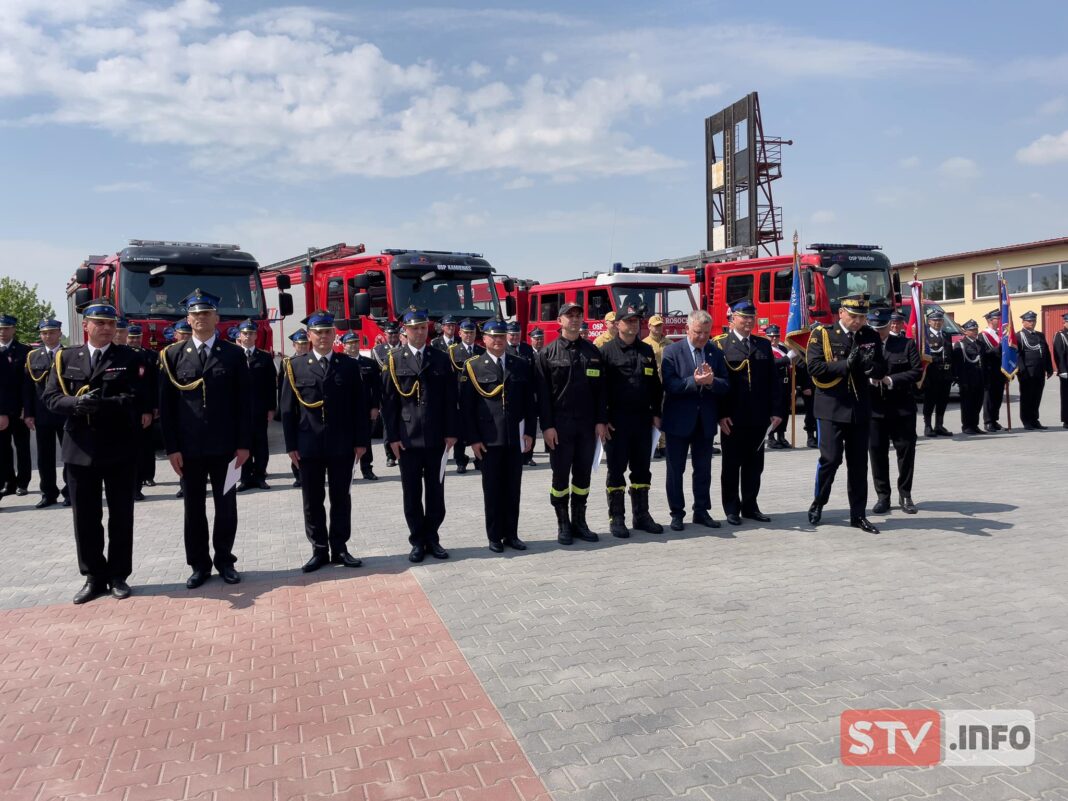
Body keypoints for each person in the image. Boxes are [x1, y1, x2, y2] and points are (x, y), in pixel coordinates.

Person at [42, 300, 152, 603]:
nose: (106, 328)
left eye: (110, 323)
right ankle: (93, 576)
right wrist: (75, 405)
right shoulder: (66, 358)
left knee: (121, 515)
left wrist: (102, 405)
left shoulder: (129, 357)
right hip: (79, 449)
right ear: (86, 326)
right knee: (85, 517)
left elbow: (137, 399)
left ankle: (118, 575)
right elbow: (51, 398)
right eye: (99, 323)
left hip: (118, 447)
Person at [158, 289, 252, 589]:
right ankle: (199, 565)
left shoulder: (234, 354)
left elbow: (243, 404)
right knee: (193, 509)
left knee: (226, 507)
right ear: (188, 319)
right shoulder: (172, 355)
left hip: (226, 449)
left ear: (217, 318)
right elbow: (167, 407)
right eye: (196, 314)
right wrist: (171, 447)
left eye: (206, 313)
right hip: (189, 450)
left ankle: (225, 560)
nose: (201, 318)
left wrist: (244, 444)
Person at [281, 311, 369, 572]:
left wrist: (361, 441)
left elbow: (359, 407)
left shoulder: (349, 365)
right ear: (309, 336)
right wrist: (290, 446)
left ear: (334, 335)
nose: (322, 336)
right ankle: (319, 549)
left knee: (341, 497)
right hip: (308, 445)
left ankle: (340, 548)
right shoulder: (294, 366)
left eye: (327, 332)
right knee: (312, 499)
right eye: (317, 332)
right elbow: (287, 410)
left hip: (342, 444)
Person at [381, 307, 458, 562]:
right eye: (414, 328)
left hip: (436, 437)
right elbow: (389, 404)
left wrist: (451, 432)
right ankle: (417, 540)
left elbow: (450, 399)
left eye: (423, 327)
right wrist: (391, 438)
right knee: (411, 493)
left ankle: (433, 538)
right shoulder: (394, 359)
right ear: (405, 330)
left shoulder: (440, 358)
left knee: (436, 491)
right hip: (407, 438)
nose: (419, 332)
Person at [805, 294, 886, 533]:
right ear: (841, 313)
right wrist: (845, 365)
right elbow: (815, 367)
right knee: (830, 460)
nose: (858, 321)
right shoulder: (823, 334)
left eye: (862, 317)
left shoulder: (869, 335)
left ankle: (858, 515)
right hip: (831, 407)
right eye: (853, 316)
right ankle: (819, 502)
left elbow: (882, 367)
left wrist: (872, 368)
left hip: (859, 408)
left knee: (859, 465)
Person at [460, 319, 536, 552]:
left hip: (514, 437)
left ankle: (511, 534)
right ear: (484, 339)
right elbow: (466, 407)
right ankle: (494, 536)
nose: (498, 341)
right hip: (488, 440)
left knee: (513, 489)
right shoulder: (474, 366)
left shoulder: (520, 364)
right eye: (493, 337)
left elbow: (529, 403)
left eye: (502, 336)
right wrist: (473, 440)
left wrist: (531, 433)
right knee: (492, 490)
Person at [536, 301, 607, 544]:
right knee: (560, 478)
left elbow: (601, 392)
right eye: (570, 316)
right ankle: (563, 523)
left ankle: (579, 522)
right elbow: (543, 396)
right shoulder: (547, 354)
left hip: (587, 426)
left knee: (583, 476)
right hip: (560, 426)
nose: (575, 320)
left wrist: (601, 421)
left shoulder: (592, 352)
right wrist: (547, 426)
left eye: (578, 316)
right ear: (560, 321)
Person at [660, 309, 729, 532]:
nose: (702, 337)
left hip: (705, 421)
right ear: (687, 329)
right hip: (679, 421)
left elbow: (726, 385)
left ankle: (701, 510)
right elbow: (670, 385)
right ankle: (677, 513)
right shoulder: (671, 351)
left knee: (703, 469)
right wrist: (694, 381)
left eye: (706, 333)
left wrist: (710, 383)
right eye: (698, 332)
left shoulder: (715, 352)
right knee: (675, 469)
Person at [712, 301, 780, 526]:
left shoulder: (762, 344)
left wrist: (776, 410)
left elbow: (773, 381)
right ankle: (732, 508)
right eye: (744, 317)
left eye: (752, 317)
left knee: (754, 465)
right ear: (733, 319)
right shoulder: (720, 344)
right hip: (733, 416)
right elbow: (717, 384)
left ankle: (750, 506)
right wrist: (720, 414)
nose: (749, 321)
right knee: (731, 464)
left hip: (758, 416)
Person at [599, 309, 664, 537]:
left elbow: (655, 385)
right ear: (617, 324)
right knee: (616, 470)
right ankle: (616, 518)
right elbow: (600, 389)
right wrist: (602, 419)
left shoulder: (645, 349)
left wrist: (657, 413)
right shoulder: (606, 351)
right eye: (628, 321)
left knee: (642, 470)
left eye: (636, 320)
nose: (633, 324)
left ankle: (642, 515)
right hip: (617, 422)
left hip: (642, 421)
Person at [866, 307, 921, 515]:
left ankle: (905, 493)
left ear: (891, 325)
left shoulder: (906, 344)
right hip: (875, 410)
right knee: (877, 454)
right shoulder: (863, 345)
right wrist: (869, 379)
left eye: (883, 327)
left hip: (902, 408)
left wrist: (890, 380)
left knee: (906, 452)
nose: (879, 331)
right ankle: (883, 496)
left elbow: (916, 371)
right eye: (875, 327)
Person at [22, 318, 69, 508]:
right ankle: (48, 493)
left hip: (65, 413)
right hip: (43, 414)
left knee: (69, 456)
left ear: (59, 333)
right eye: (44, 333)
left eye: (51, 332)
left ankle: (70, 492)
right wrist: (28, 413)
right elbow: (28, 388)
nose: (47, 336)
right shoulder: (33, 356)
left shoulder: (69, 354)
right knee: (45, 458)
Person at [235, 319, 276, 491]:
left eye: (251, 333)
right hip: (239, 410)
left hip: (259, 409)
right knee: (243, 443)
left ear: (256, 336)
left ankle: (260, 476)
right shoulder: (234, 356)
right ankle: (245, 478)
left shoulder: (265, 357)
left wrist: (271, 408)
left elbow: (271, 385)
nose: (248, 336)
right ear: (240, 336)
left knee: (260, 444)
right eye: (245, 333)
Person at [342, 331, 382, 480]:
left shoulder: (369, 364)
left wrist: (375, 407)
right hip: (345, 409)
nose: (353, 346)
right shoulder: (339, 363)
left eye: (355, 342)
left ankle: (367, 468)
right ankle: (347, 469)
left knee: (365, 440)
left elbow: (376, 388)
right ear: (344, 346)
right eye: (350, 343)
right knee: (345, 440)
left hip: (364, 408)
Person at [0, 314, 31, 498]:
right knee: (3, 449)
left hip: (19, 409)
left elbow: (27, 384)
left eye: (6, 328)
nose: (3, 332)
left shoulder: (25, 351)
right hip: (1, 410)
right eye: (0, 329)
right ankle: (8, 482)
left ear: (14, 329)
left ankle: (23, 482)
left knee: (22, 447)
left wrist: (26, 409)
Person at [447, 319, 484, 474]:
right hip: (459, 394)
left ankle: (479, 459)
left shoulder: (481, 351)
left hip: (478, 395)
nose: (469, 335)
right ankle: (460, 460)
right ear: (460, 333)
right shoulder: (452, 351)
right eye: (466, 332)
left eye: (472, 332)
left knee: (479, 427)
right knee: (460, 430)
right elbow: (449, 376)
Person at [127, 325, 160, 496]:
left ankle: (147, 476)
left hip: (144, 407)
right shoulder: (120, 355)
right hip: (126, 408)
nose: (134, 341)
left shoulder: (150, 356)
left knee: (146, 445)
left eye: (137, 338)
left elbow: (153, 384)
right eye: (131, 338)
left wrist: (154, 406)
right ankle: (132, 483)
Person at [279, 329, 310, 487]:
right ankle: (297, 474)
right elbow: (282, 388)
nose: (303, 347)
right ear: (294, 345)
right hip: (295, 410)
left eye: (305, 344)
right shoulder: (287, 363)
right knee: (295, 443)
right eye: (300, 344)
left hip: (307, 410)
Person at [1016, 310, 1053, 429]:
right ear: (1023, 322)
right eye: (1029, 321)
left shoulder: (1040, 335)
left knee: (1037, 396)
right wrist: (1022, 371)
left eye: (1034, 320)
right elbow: (1018, 354)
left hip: (1039, 371)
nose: (1032, 323)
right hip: (1027, 371)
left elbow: (1046, 351)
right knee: (1027, 397)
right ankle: (1026, 420)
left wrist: (1049, 367)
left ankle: (1034, 419)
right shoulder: (1019, 336)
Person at [921, 310, 953, 437]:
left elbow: (950, 355)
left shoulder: (946, 335)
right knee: (930, 400)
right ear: (929, 322)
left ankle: (939, 425)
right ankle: (928, 426)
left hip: (946, 374)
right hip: (931, 374)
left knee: (943, 400)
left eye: (940, 320)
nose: (937, 323)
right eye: (934, 320)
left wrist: (953, 373)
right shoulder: (925, 336)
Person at [372, 322, 401, 467]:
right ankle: (390, 455)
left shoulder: (405, 348)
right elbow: (377, 372)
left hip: (404, 393)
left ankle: (403, 453)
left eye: (395, 334)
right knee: (388, 425)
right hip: (386, 394)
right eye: (390, 334)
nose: (393, 337)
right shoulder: (378, 350)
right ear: (385, 335)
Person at [952, 320, 986, 435]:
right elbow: (958, 365)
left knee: (978, 403)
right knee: (967, 404)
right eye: (972, 330)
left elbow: (984, 362)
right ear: (966, 332)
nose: (975, 332)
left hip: (980, 378)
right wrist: (962, 380)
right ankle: (967, 426)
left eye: (976, 329)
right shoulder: (961, 344)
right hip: (967, 380)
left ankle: (974, 425)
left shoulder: (980, 344)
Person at [642, 314, 669, 459]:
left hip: (666, 383)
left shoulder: (669, 343)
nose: (658, 328)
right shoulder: (645, 344)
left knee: (664, 413)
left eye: (660, 325)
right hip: (652, 385)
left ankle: (664, 445)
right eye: (655, 325)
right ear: (649, 327)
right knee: (654, 414)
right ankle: (655, 444)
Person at [764, 324, 793, 450]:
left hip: (786, 383)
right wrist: (787, 358)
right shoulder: (766, 349)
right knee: (774, 411)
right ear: (767, 336)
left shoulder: (783, 348)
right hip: (774, 384)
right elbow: (772, 364)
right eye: (771, 336)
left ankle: (781, 436)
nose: (774, 339)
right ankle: (771, 437)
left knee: (785, 411)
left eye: (776, 336)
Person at [981, 309, 1007, 432]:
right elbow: (984, 354)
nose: (1000, 321)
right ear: (990, 320)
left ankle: (994, 419)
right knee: (989, 397)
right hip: (990, 370)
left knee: (998, 396)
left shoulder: (1001, 334)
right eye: (998, 319)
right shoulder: (983, 335)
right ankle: (988, 421)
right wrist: (999, 347)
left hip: (1000, 370)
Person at [1053, 312, 1068, 429]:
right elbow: (1059, 354)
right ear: (1065, 323)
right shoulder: (1060, 335)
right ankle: (1066, 420)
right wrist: (1062, 370)